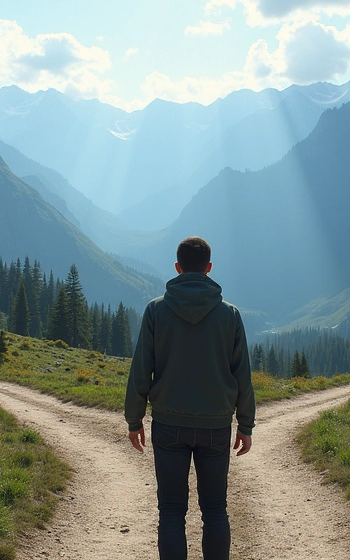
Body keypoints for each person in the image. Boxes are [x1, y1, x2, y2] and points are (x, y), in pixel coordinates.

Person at [125, 236, 255, 560]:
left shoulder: (156, 311)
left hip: (168, 425)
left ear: (177, 268)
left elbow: (141, 369)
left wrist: (134, 419)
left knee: (171, 511)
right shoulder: (231, 315)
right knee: (215, 510)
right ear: (209, 268)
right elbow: (243, 375)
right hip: (216, 427)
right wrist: (246, 425)